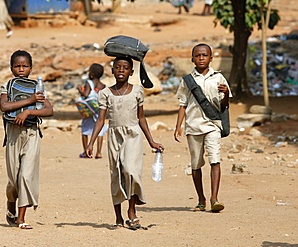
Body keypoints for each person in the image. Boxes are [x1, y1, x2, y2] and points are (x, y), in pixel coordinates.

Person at [85, 57, 164, 229]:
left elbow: (141, 118)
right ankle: (118, 216)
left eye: (125, 68)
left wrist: (151, 141)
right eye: (117, 67)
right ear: (112, 71)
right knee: (116, 174)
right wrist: (91, 143)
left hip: (133, 135)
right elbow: (100, 120)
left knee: (131, 171)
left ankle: (132, 211)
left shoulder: (137, 91)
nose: (121, 70)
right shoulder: (105, 93)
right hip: (114, 135)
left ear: (131, 72)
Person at [174, 43, 232, 213]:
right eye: (197, 55)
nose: (201, 58)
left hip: (213, 125)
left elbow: (224, 105)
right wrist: (178, 126)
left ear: (211, 58)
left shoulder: (219, 78)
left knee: (215, 159)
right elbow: (182, 105)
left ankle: (215, 198)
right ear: (192, 59)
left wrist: (226, 94)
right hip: (193, 126)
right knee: (196, 164)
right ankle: (201, 199)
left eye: (204, 55)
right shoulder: (187, 81)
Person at [0, 50, 54, 230]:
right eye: (17, 66)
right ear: (11, 68)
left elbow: (49, 110)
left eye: (25, 66)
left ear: (31, 68)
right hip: (13, 134)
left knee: (26, 174)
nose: (21, 69)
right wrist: (29, 101)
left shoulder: (37, 88)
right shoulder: (7, 86)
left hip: (31, 133)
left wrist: (29, 111)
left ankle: (21, 218)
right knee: (13, 178)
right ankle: (10, 204)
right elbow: (4, 106)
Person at [77, 63, 108, 159]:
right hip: (98, 109)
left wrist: (80, 90)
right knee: (100, 130)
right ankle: (98, 152)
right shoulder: (103, 86)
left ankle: (86, 151)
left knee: (85, 129)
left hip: (89, 108)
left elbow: (86, 94)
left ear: (92, 74)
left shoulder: (89, 83)